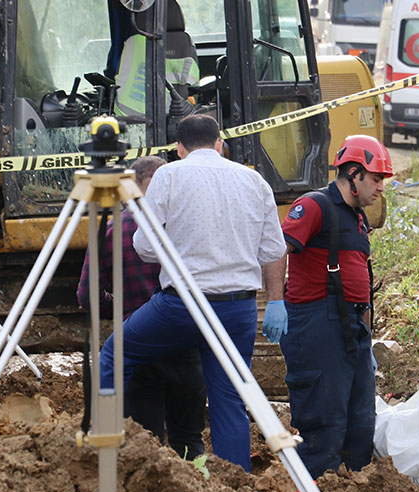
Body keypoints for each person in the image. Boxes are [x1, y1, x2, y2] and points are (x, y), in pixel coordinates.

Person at [98, 113, 286, 471]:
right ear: (220, 144)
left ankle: (110, 440)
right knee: (229, 397)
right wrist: (276, 299)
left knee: (114, 353)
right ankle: (235, 482)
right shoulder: (254, 179)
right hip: (238, 308)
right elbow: (273, 250)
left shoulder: (169, 174)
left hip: (182, 306)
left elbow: (145, 247)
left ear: (179, 149)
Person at [262, 135, 392, 479]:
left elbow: (359, 279)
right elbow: (276, 249)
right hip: (318, 324)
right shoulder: (314, 206)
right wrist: (276, 301)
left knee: (360, 417)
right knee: (324, 418)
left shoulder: (358, 218)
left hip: (352, 328)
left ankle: (355, 491)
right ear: (353, 174)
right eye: (376, 178)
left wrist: (366, 332)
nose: (380, 187)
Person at [77, 155, 206, 460]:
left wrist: (118, 307)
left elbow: (87, 296)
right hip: (185, 346)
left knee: (143, 441)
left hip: (134, 350)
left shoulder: (110, 232)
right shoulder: (187, 227)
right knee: (189, 439)